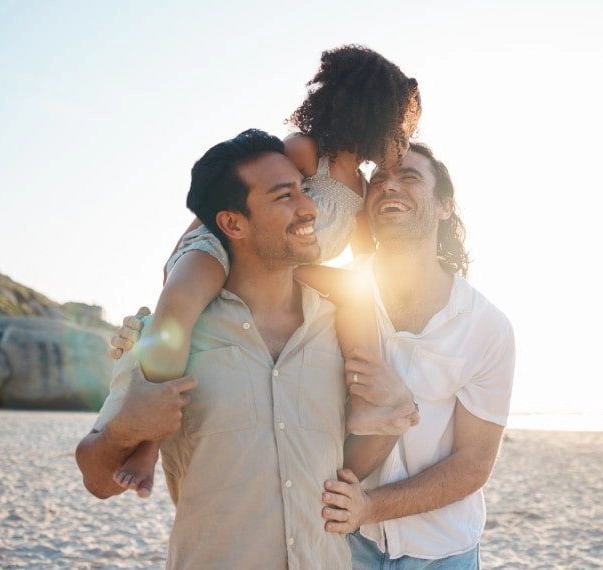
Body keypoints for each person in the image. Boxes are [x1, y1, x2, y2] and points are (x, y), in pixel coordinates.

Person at [75, 129, 407, 569]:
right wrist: (126, 432)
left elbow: (350, 467)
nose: (308, 207)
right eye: (283, 197)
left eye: (303, 190)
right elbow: (99, 481)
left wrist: (394, 415)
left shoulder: (343, 326)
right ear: (233, 223)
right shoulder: (165, 337)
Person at [113, 44, 422, 497]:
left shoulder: (360, 187)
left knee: (355, 292)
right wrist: (182, 249)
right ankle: (148, 443)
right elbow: (238, 192)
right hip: (228, 246)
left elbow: (364, 258)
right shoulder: (306, 152)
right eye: (398, 126)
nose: (402, 137)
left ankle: (366, 403)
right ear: (371, 114)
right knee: (180, 308)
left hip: (291, 269)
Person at [319, 143, 516, 568]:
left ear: (445, 206)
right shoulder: (328, 295)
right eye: (379, 180)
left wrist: (369, 507)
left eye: (408, 177)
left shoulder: (486, 326)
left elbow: (474, 463)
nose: (389, 186)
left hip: (442, 550)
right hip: (341, 543)